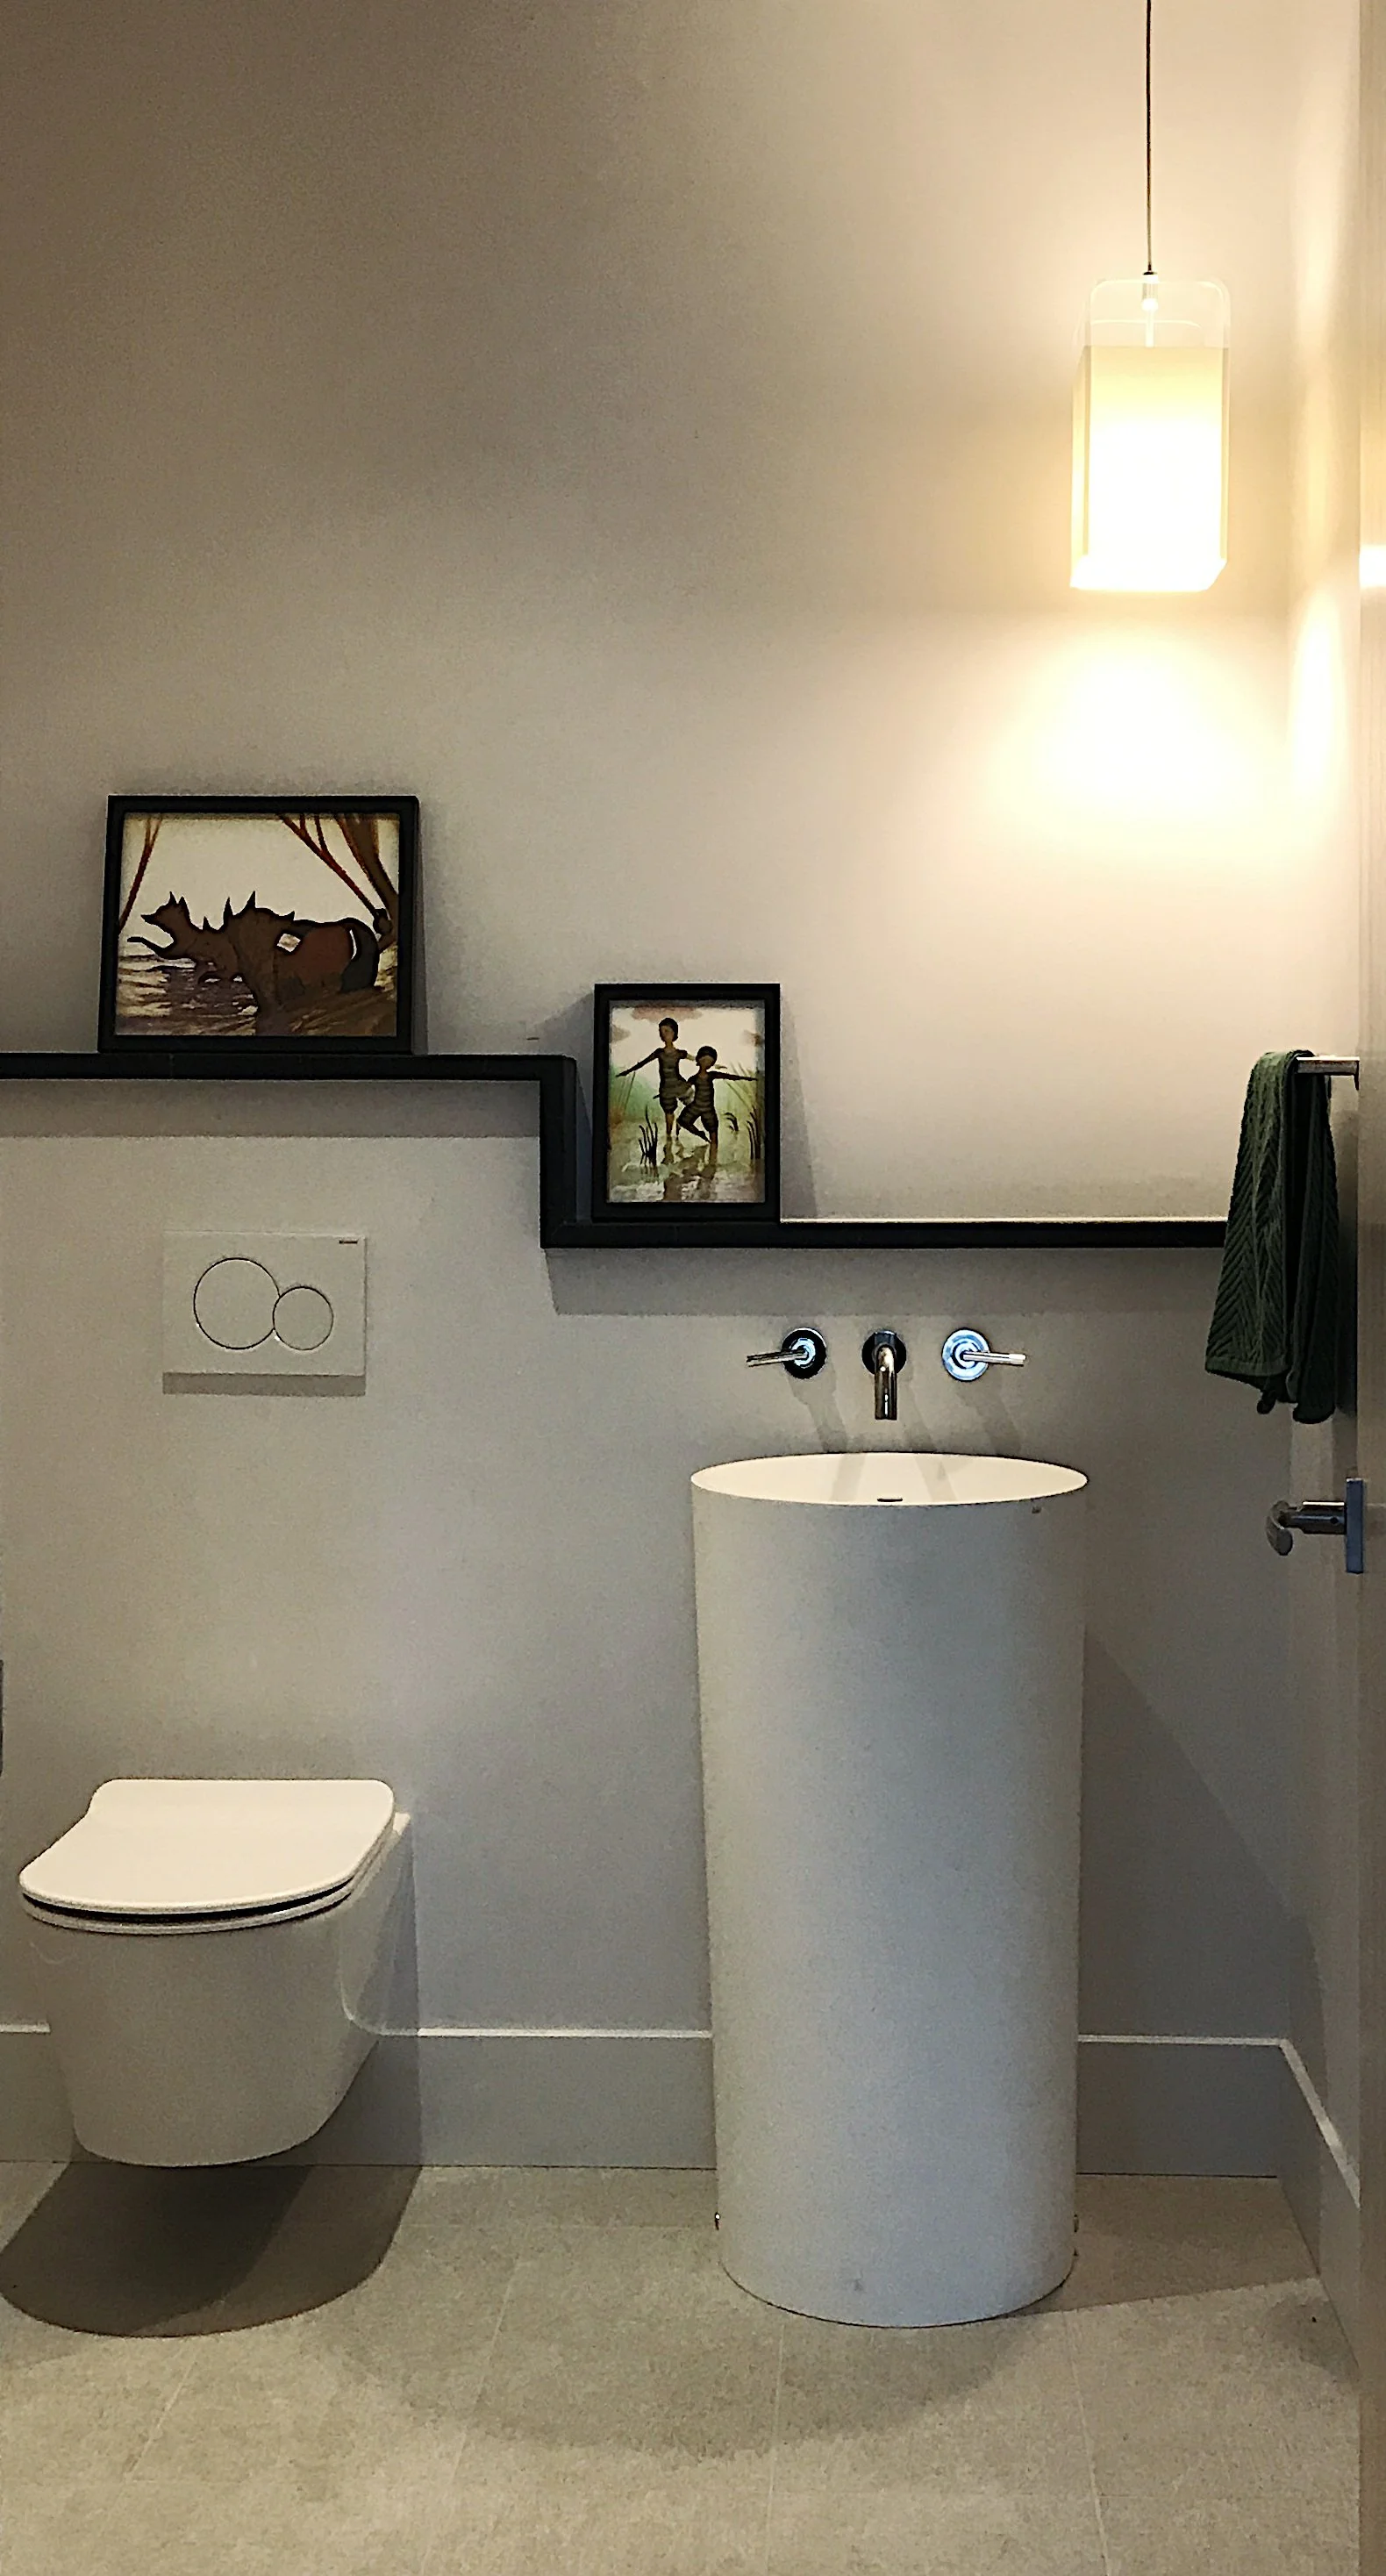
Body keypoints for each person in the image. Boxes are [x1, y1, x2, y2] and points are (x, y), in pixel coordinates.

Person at [617, 1016, 692, 1155]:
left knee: (693, 1105)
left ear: (675, 1033)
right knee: (668, 1114)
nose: (664, 1035)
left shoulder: (680, 1053)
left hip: (680, 1084)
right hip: (666, 1088)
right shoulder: (659, 1052)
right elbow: (643, 1063)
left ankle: (680, 1125)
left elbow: (695, 1059)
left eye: (667, 1031)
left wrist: (714, 1065)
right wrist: (627, 1071)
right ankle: (669, 1144)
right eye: (661, 1032)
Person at [676, 1048, 741, 1151]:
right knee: (682, 1121)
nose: (706, 1063)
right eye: (704, 1060)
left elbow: (729, 1076)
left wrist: (745, 1078)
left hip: (708, 1108)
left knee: (713, 1130)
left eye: (709, 1062)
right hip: (696, 1106)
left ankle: (713, 1156)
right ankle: (700, 1134)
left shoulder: (712, 1075)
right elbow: (683, 1088)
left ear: (712, 1064)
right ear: (698, 1060)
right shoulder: (694, 1078)